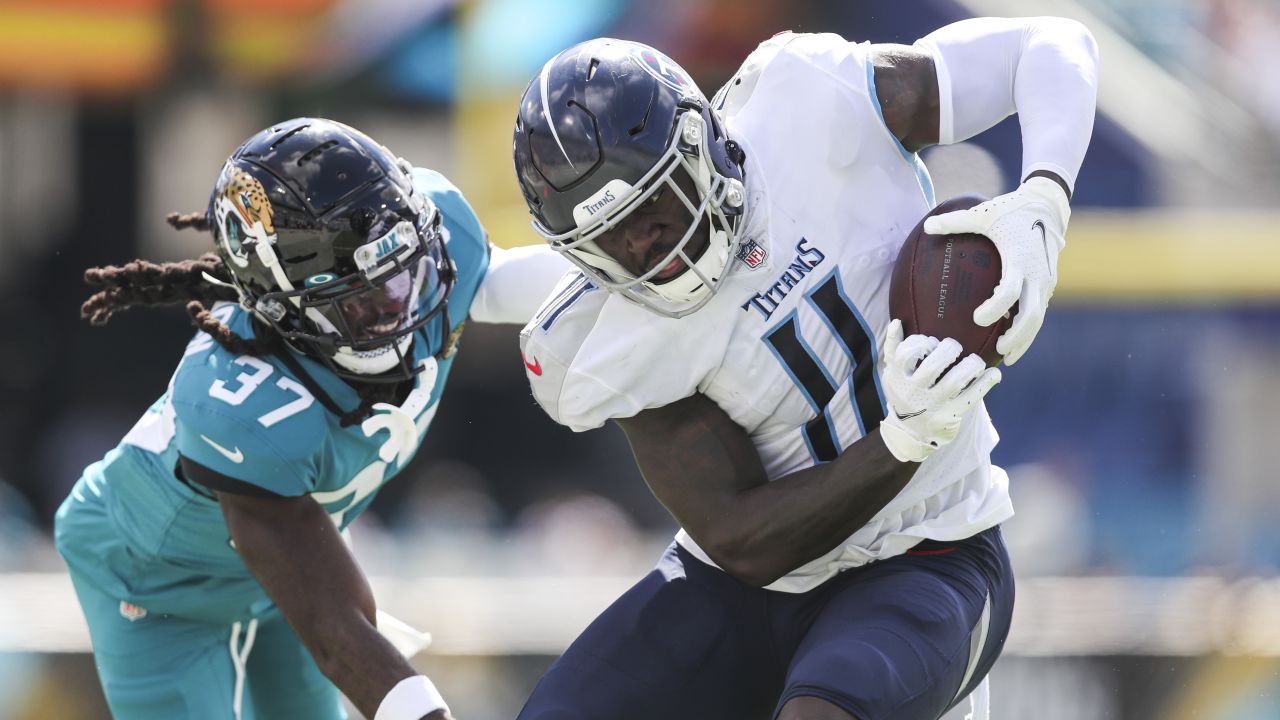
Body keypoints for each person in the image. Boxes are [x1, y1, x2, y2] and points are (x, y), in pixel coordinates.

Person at [512, 16, 1097, 720]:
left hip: (932, 548)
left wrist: (1044, 202)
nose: (643, 242)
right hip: (747, 588)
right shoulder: (608, 338)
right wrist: (902, 439)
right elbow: (741, 541)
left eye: (654, 201)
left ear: (701, 146)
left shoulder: (810, 107)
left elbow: (1050, 47)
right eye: (609, 236)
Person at [54, 117, 569, 720]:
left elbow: (492, 279)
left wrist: (634, 285)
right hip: (156, 580)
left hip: (281, 560)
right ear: (281, 308)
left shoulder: (431, 228)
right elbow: (337, 632)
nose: (399, 305)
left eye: (406, 273)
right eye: (360, 299)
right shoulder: (239, 410)